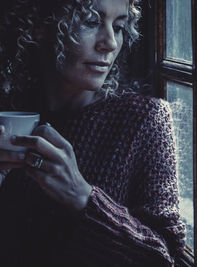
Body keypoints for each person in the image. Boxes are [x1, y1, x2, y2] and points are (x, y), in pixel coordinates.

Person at [0, 0, 186, 266]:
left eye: (119, 26)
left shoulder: (144, 120)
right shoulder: (11, 110)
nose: (110, 42)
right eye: (91, 21)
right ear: (42, 25)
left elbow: (164, 259)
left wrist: (82, 197)